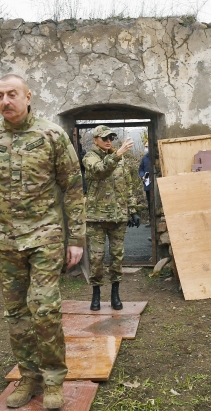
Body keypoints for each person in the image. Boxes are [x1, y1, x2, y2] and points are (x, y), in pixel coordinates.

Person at [0, 74, 84, 410]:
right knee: (17, 313)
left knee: (44, 308)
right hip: (5, 240)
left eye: (12, 94)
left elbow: (72, 188)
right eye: (0, 95)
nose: (5, 101)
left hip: (46, 236)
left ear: (28, 96)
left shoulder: (52, 135)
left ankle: (54, 378)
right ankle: (29, 377)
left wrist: (78, 238)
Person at [82, 126, 141, 311]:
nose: (109, 141)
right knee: (96, 259)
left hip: (117, 217)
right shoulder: (90, 157)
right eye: (105, 138)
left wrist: (132, 210)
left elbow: (127, 184)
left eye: (112, 138)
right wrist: (118, 153)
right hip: (97, 218)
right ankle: (96, 294)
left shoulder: (119, 157)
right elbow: (100, 170)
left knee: (117, 258)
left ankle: (115, 293)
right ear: (96, 140)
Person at [138, 141, 151, 226]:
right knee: (149, 202)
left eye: (147, 146)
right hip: (147, 183)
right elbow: (141, 169)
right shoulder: (144, 158)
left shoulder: (156, 157)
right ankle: (151, 220)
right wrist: (142, 176)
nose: (146, 148)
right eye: (145, 146)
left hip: (156, 184)